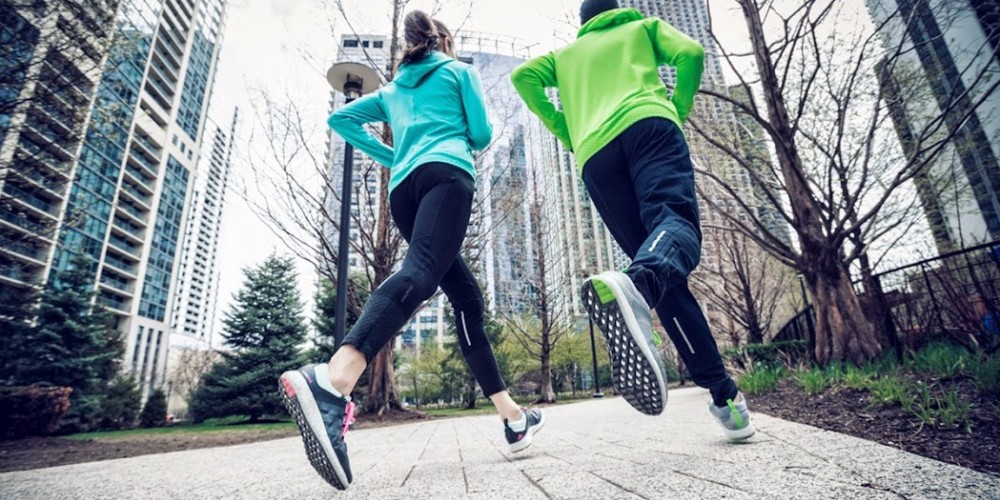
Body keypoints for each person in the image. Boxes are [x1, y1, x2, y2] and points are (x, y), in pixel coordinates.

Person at [279, 11, 544, 491]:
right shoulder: (458, 71)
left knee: (467, 301)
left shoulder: (393, 90)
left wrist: (395, 155)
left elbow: (341, 118)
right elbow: (481, 136)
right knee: (419, 275)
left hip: (404, 193)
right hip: (446, 176)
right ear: (442, 40)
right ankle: (334, 379)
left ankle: (513, 416)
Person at [511, 0, 755, 440]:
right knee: (675, 225)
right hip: (650, 128)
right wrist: (677, 108)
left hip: (595, 156)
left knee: (663, 274)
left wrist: (565, 128)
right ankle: (637, 285)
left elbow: (522, 76)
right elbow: (692, 54)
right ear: (617, 10)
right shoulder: (643, 27)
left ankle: (723, 395)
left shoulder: (565, 56)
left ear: (585, 23)